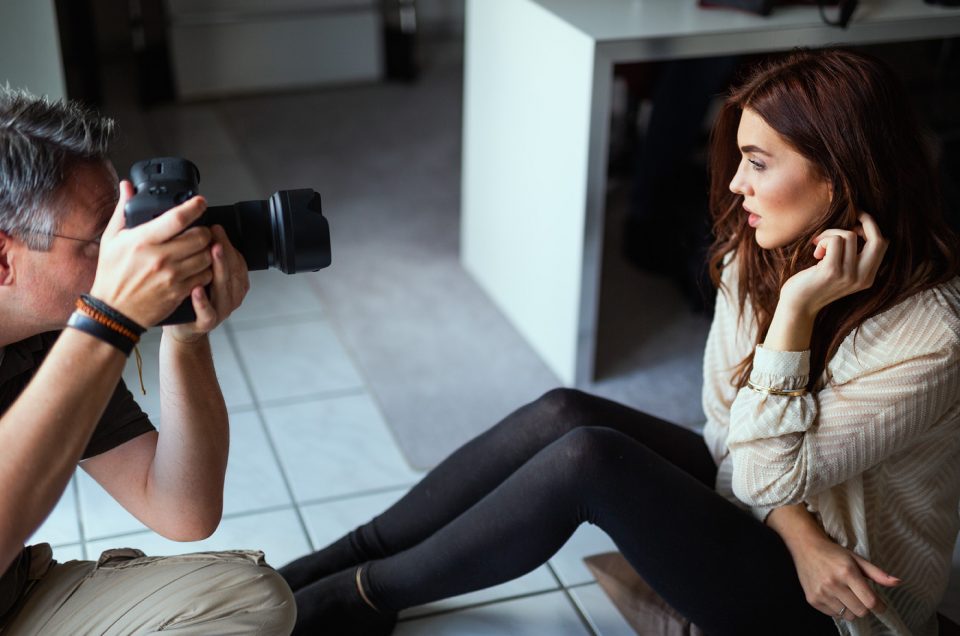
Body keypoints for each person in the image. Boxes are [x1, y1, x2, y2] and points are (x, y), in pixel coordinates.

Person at [282, 47, 960, 636]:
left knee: (590, 462)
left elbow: (756, 473)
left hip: (841, 608)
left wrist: (795, 313)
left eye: (758, 163)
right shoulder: (752, 256)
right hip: (788, 532)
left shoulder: (931, 337)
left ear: (841, 178)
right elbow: (725, 432)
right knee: (563, 412)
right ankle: (332, 565)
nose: (734, 183)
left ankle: (362, 598)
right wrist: (799, 531)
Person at [0, 88, 296, 633]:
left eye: (126, 225)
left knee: (253, 599)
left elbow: (182, 510)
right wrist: (109, 317)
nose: (129, 253)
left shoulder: (44, 337)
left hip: (12, 600)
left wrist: (185, 334)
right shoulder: (90, 325)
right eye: (101, 239)